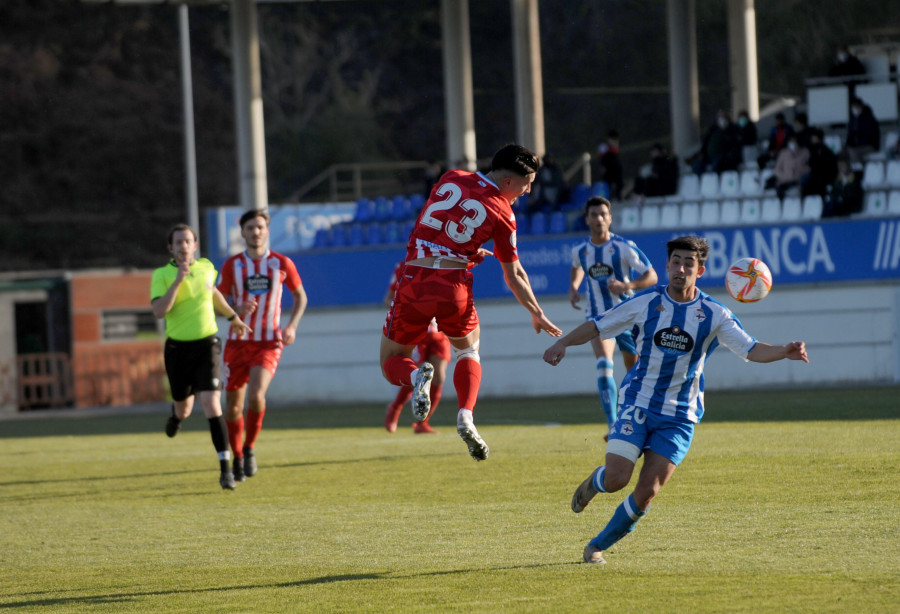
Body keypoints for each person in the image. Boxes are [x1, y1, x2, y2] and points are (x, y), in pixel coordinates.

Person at [543, 235, 809, 565]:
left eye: (689, 263)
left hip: (679, 416)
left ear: (700, 270)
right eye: (676, 262)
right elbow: (598, 325)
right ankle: (595, 483)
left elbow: (750, 348)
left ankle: (596, 547)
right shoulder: (645, 302)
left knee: (648, 490)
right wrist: (564, 343)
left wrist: (783, 351)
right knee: (616, 479)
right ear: (667, 266)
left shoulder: (715, 314)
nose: (681, 268)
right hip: (638, 403)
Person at [380, 143, 562, 461]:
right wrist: (536, 312)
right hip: (453, 286)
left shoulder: (451, 177)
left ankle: (413, 376)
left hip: (415, 280)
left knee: (391, 360)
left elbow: (433, 226)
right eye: (527, 183)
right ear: (508, 182)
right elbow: (514, 274)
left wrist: (464, 250)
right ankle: (466, 415)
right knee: (468, 349)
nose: (529, 190)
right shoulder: (504, 212)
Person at [151, 223, 252, 490]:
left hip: (207, 344)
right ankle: (175, 418)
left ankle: (225, 470)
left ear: (195, 245)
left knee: (212, 404)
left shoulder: (207, 267)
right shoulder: (161, 275)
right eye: (178, 242)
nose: (183, 246)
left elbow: (214, 293)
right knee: (184, 407)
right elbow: (160, 311)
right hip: (177, 349)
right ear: (170, 248)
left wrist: (234, 317)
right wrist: (178, 280)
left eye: (188, 241)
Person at [217, 209, 308, 481]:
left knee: (256, 396)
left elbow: (301, 296)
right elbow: (218, 301)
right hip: (238, 343)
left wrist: (291, 326)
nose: (255, 232)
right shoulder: (232, 265)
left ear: (267, 230)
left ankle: (250, 447)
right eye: (250, 228)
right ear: (242, 232)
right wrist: (236, 309)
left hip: (269, 342)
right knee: (233, 406)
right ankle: (237, 456)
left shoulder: (282, 263)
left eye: (260, 227)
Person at [569, 196, 657, 435]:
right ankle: (613, 424)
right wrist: (574, 288)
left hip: (627, 318)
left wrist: (628, 285)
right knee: (603, 365)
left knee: (634, 371)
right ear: (587, 219)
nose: (598, 218)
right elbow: (576, 268)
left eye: (602, 214)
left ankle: (636, 417)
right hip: (598, 317)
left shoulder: (623, 247)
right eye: (594, 214)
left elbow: (652, 275)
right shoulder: (580, 251)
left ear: (610, 218)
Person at [382, 259, 451, 434]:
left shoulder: (445, 261)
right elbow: (388, 298)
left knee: (439, 377)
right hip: (416, 329)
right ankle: (395, 409)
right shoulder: (403, 267)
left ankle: (422, 423)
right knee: (417, 375)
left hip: (438, 331)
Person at [692, 110, 740, 175]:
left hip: (722, 157)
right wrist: (702, 153)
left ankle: (716, 182)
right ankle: (700, 182)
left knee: (717, 164)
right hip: (708, 156)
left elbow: (735, 146)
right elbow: (705, 143)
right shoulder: (713, 129)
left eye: (724, 118)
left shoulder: (733, 130)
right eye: (720, 118)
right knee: (697, 165)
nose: (722, 120)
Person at [800, 128, 838, 198]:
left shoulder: (828, 153)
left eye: (814, 139)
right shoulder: (813, 151)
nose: (812, 141)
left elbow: (830, 170)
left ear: (819, 139)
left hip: (825, 179)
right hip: (814, 178)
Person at [772, 134, 810, 199]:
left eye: (794, 140)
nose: (792, 142)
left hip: (799, 181)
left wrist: (802, 172)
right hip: (785, 181)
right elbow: (777, 169)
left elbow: (809, 167)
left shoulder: (805, 152)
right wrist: (784, 176)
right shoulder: (783, 153)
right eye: (790, 141)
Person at [844, 98, 880, 163]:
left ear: (861, 107)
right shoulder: (853, 120)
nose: (854, 108)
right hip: (856, 146)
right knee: (842, 154)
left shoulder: (869, 120)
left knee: (853, 152)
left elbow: (869, 136)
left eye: (856, 106)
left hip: (869, 146)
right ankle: (845, 172)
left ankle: (858, 171)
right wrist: (847, 145)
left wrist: (854, 146)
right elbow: (850, 135)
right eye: (853, 107)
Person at [596, 131, 624, 200]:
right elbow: (602, 158)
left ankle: (618, 197)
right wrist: (603, 166)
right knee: (608, 185)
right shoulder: (604, 146)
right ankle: (609, 198)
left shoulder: (615, 147)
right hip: (608, 169)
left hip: (616, 169)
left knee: (619, 184)